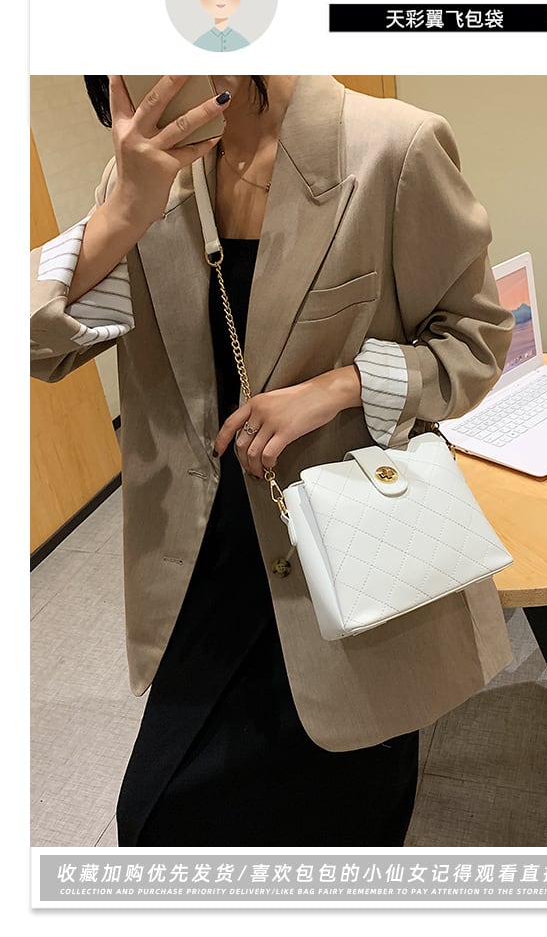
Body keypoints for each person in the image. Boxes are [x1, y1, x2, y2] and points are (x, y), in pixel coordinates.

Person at [30, 74, 515, 847]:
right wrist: (124, 210)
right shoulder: (150, 171)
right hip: (204, 556)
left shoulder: (393, 147)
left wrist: (340, 386)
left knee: (348, 825)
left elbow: (477, 343)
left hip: (347, 556)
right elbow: (37, 348)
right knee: (157, 821)